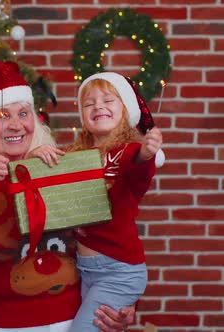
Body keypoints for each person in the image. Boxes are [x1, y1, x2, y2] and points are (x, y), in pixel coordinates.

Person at [0, 60, 134, 332]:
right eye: (1, 115)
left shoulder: (60, 166)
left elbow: (109, 238)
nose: (16, 125)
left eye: (23, 113)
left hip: (73, 318)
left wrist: (121, 298)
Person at [65, 72, 163, 332]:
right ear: (83, 116)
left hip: (117, 272)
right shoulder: (75, 156)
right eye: (89, 103)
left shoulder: (129, 151)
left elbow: (139, 170)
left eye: (109, 100)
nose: (98, 106)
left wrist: (146, 153)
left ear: (125, 109)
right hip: (83, 270)